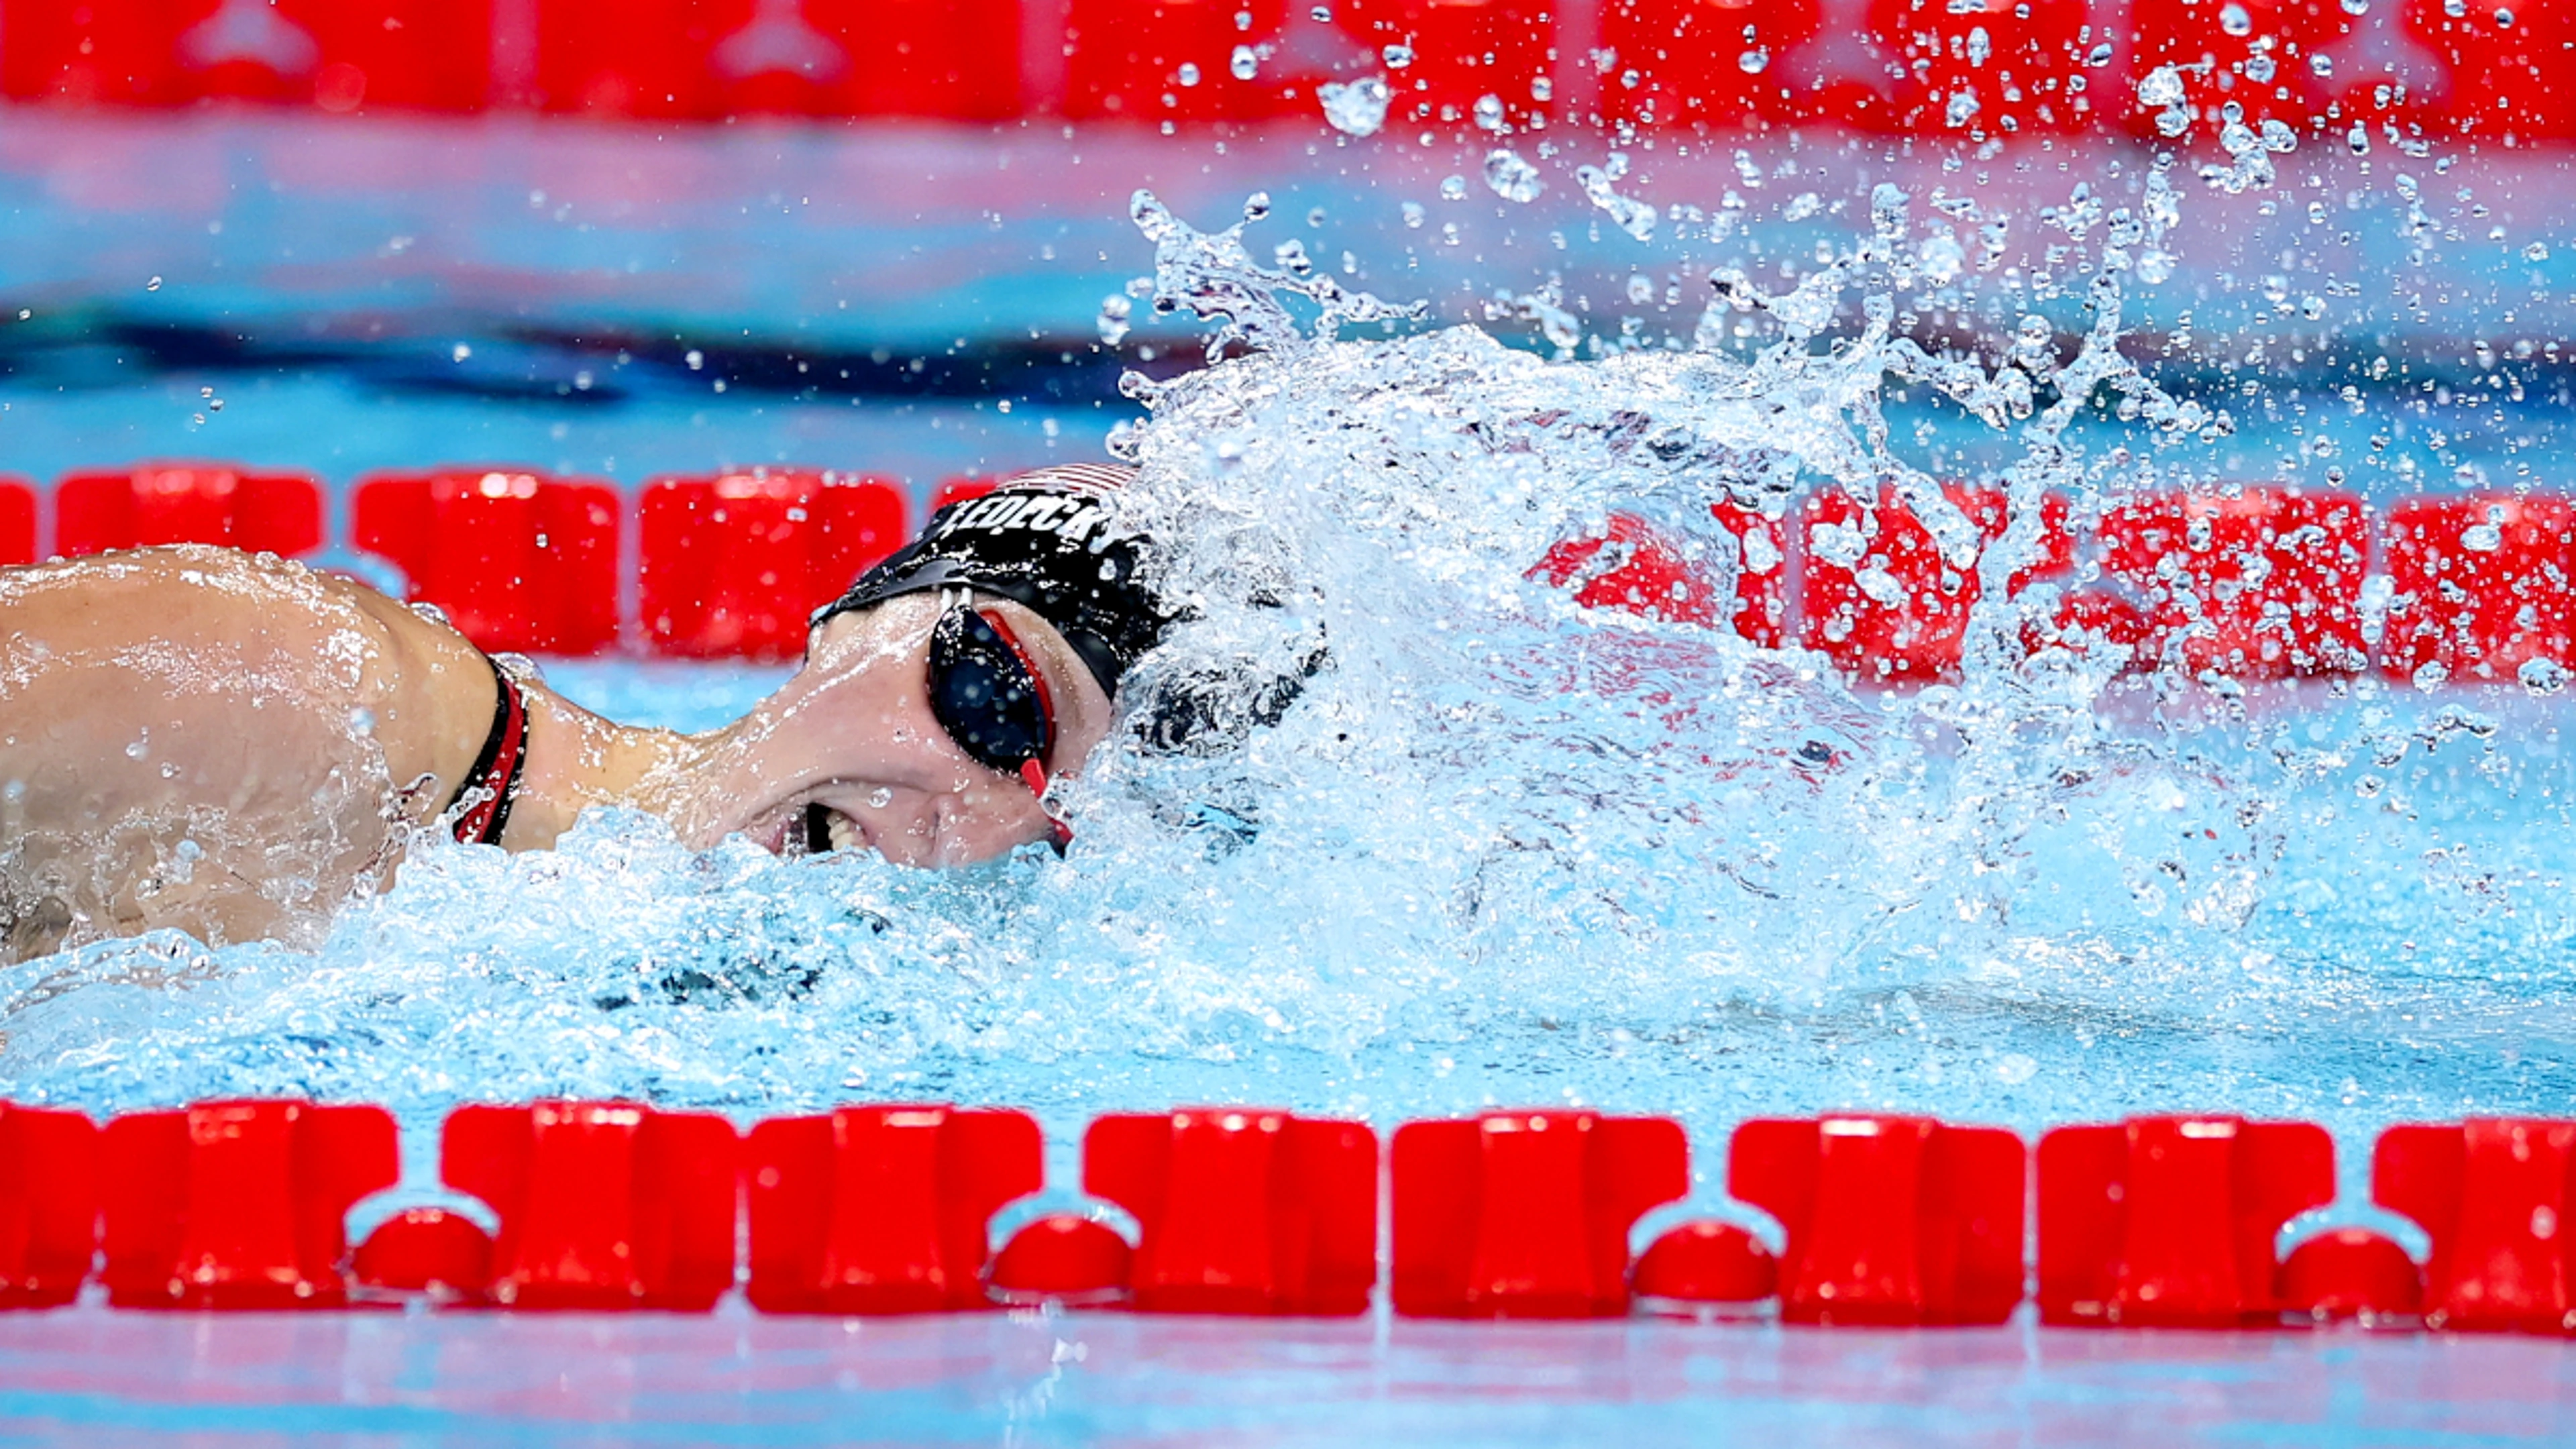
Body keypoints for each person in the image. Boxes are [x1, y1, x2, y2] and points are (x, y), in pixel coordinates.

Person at [0, 462, 1172, 965]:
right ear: (852, 620)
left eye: (1058, 829)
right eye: (995, 698)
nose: (961, 830)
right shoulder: (306, 688)